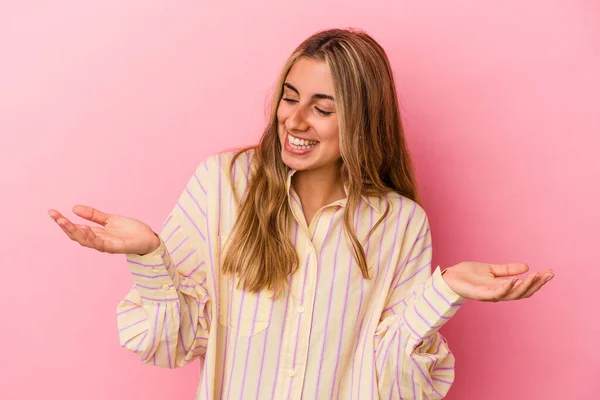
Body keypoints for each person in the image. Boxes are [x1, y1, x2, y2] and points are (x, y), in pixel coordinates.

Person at [48, 28, 554, 399]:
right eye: (289, 98)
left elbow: (395, 381)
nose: (294, 118)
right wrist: (150, 255)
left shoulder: (399, 222)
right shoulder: (223, 185)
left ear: (361, 118)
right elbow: (167, 344)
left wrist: (446, 291)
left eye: (322, 107)